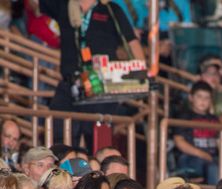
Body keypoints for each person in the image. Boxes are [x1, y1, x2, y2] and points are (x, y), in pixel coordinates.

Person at [39, 0, 144, 146]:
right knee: (59, 135)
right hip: (71, 82)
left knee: (97, 140)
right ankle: (63, 167)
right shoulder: (64, 6)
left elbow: (131, 41)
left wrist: (141, 73)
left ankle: (98, 167)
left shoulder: (110, 9)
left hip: (100, 84)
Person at [173, 81, 222, 185]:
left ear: (211, 100)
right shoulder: (184, 117)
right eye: (199, 97)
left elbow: (221, 141)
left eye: (207, 98)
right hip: (191, 157)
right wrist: (201, 153)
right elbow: (179, 141)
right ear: (191, 98)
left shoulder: (214, 119)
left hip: (211, 158)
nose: (203, 101)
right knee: (212, 168)